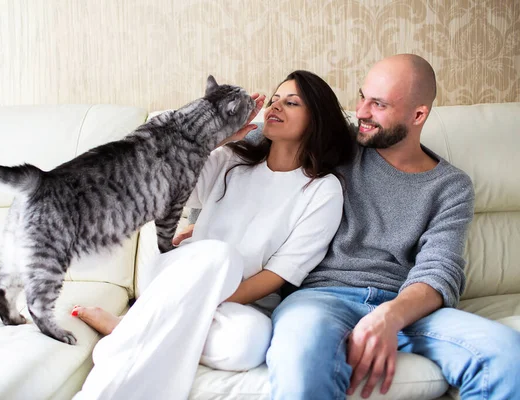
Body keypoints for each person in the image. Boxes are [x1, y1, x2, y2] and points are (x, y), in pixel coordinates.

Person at [71, 70, 356, 400]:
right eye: (275, 99)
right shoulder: (229, 160)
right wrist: (215, 138)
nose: (276, 106)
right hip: (177, 279)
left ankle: (131, 329)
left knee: (248, 343)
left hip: (238, 302)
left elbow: (279, 274)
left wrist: (202, 303)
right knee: (221, 255)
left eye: (291, 102)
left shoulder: (323, 190)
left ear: (317, 120)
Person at [264, 54, 520, 399]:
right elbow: (250, 147)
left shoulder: (451, 186)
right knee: (301, 355)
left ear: (419, 114)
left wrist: (389, 316)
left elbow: (439, 271)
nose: (362, 112)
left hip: (407, 309)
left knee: (507, 354)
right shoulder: (336, 142)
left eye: (379, 104)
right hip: (318, 300)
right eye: (361, 97)